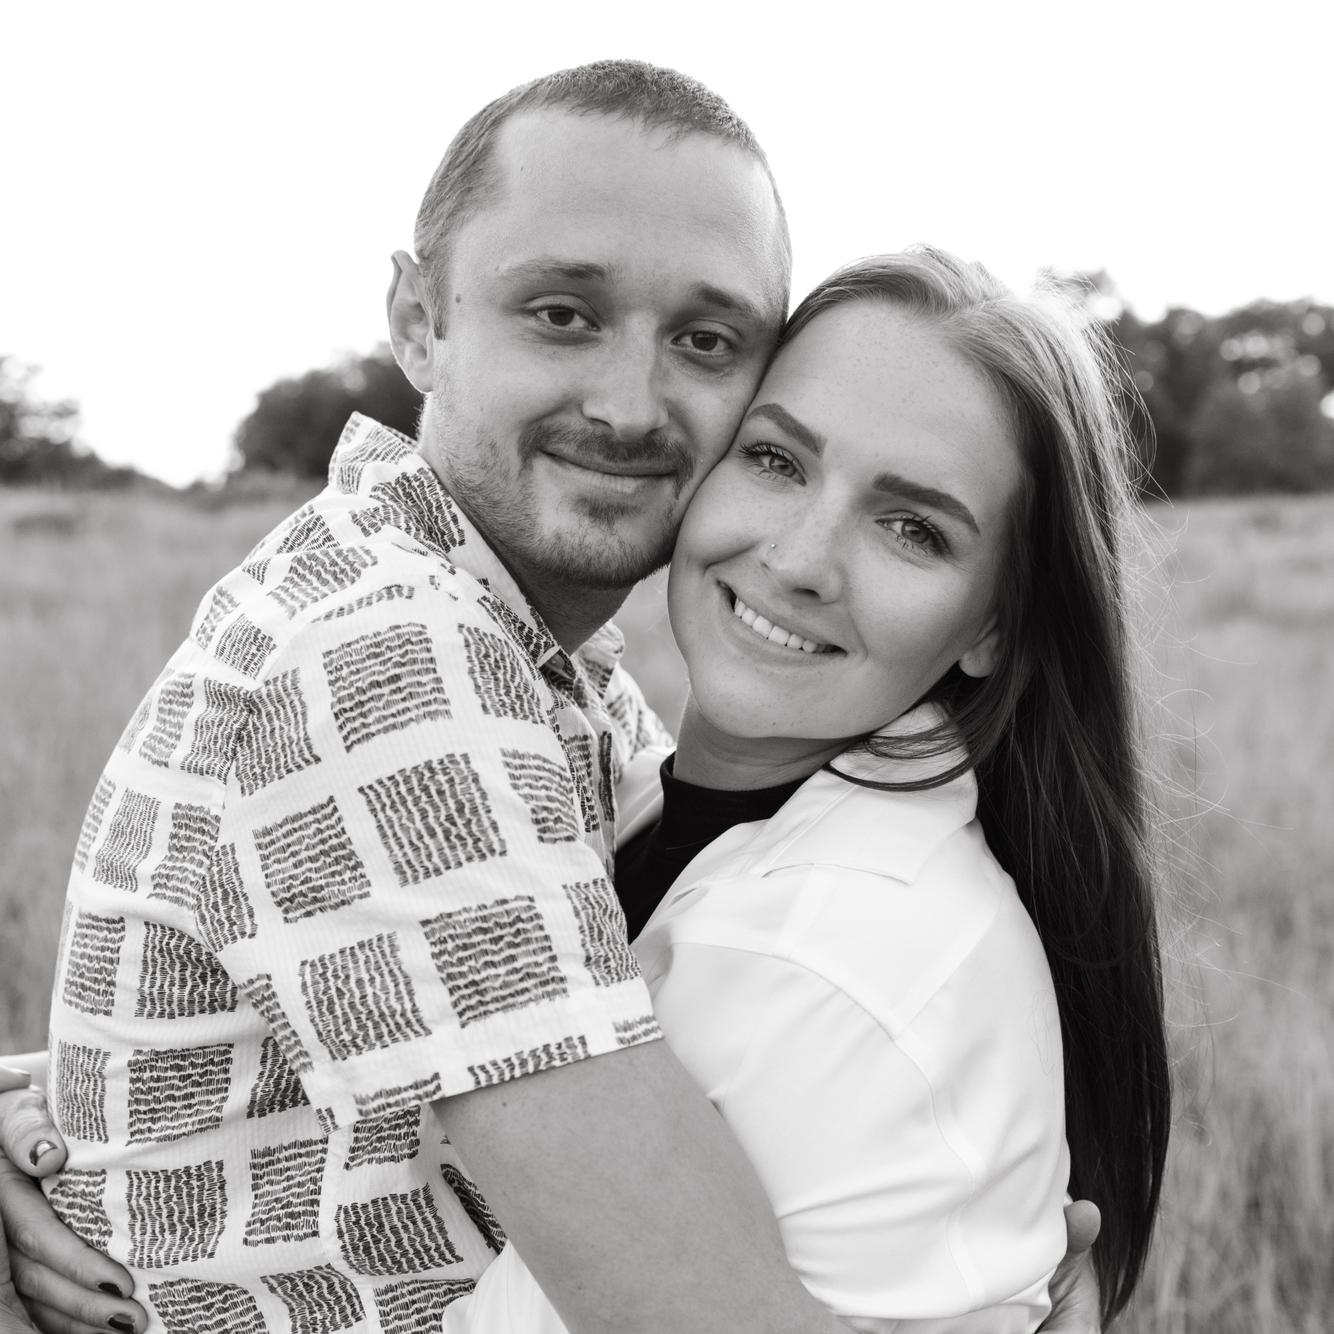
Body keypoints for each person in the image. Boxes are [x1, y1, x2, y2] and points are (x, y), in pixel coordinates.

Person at [0, 64, 1107, 1334]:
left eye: (705, 340)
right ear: (418, 320)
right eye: (563, 314)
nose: (630, 406)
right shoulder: (388, 657)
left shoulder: (562, 682)